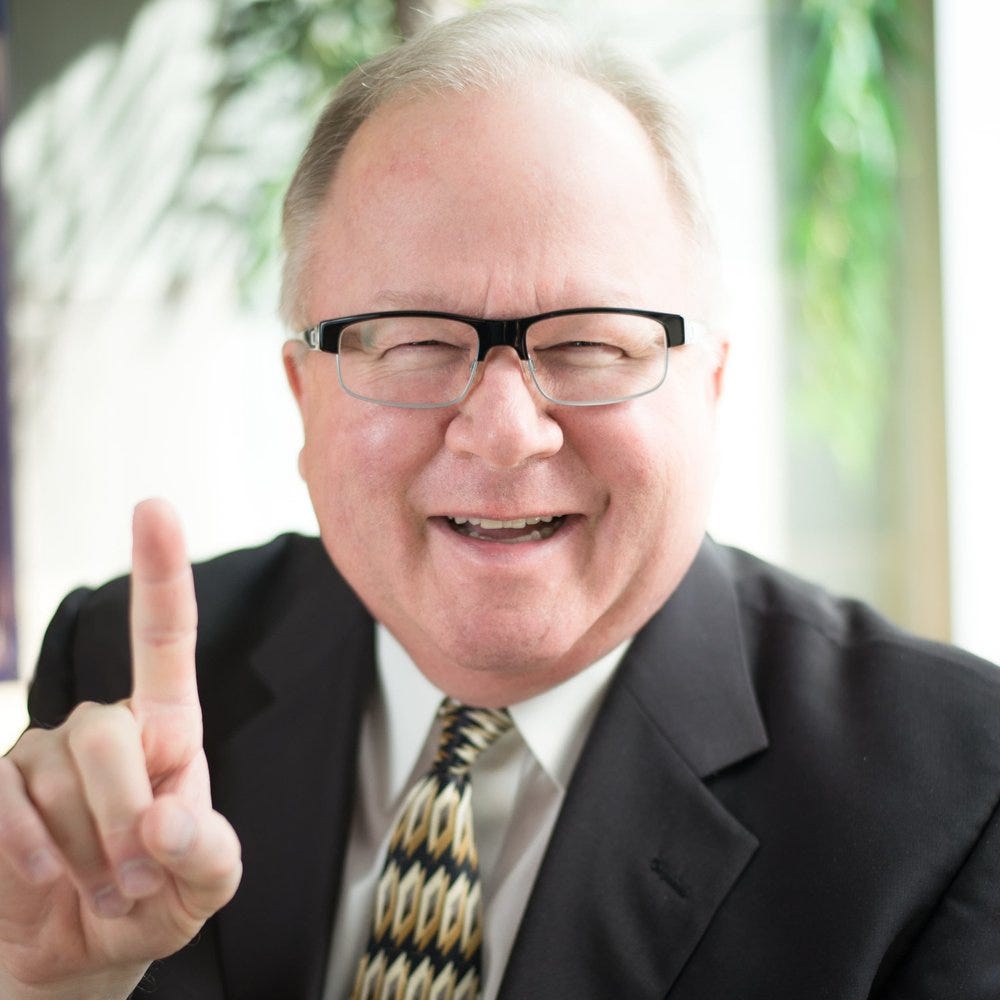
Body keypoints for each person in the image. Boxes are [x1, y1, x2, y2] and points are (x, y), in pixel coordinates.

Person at [2, 6, 999, 999]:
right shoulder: (114, 674)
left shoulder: (957, 791)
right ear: (303, 394)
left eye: (593, 343)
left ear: (710, 386)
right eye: (414, 340)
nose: (506, 428)